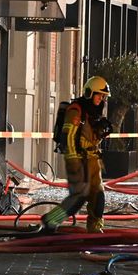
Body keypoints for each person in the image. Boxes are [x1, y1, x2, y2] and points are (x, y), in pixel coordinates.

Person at [41, 76, 112, 233]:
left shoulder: (95, 113)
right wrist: (74, 163)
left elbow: (90, 137)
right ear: (89, 93)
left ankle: (95, 229)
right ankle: (50, 221)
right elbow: (69, 138)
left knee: (98, 197)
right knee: (78, 198)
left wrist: (101, 131)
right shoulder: (76, 110)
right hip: (78, 160)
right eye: (99, 95)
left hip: (93, 161)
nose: (101, 99)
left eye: (103, 96)